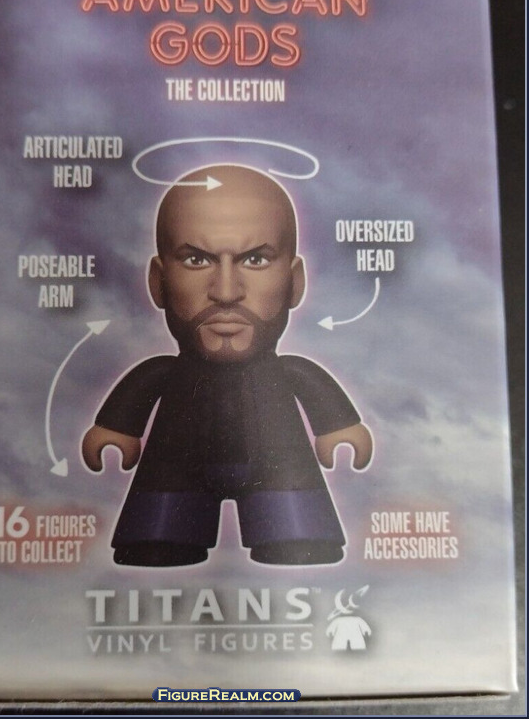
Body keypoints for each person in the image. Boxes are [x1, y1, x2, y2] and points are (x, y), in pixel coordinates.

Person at [82, 164, 373, 566]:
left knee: (298, 541)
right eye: (196, 260)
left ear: (295, 282)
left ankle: (293, 533)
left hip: (281, 469)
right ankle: (163, 536)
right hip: (174, 470)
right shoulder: (165, 374)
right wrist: (116, 429)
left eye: (255, 259)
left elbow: (313, 388)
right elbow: (142, 388)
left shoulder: (289, 374)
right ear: (158, 282)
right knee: (157, 542)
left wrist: (339, 427)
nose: (225, 291)